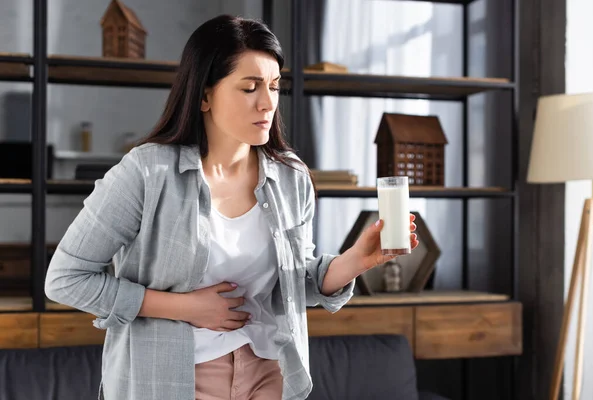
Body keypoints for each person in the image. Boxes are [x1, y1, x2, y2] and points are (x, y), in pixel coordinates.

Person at [45, 14, 418, 400]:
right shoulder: (148, 172)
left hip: (268, 372)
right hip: (171, 378)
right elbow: (66, 279)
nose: (267, 102)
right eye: (249, 88)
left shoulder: (291, 178)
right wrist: (184, 307)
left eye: (274, 87)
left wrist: (357, 259)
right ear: (204, 94)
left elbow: (293, 285)